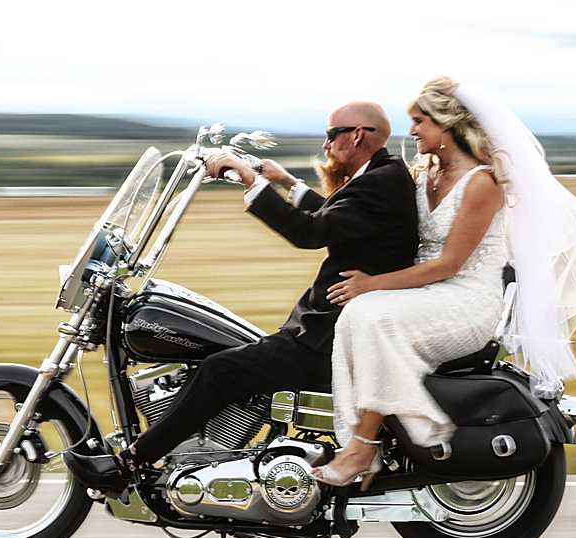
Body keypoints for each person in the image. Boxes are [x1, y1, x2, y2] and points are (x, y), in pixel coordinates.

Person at [65, 101, 419, 492]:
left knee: (218, 371)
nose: (325, 144)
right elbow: (334, 218)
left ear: (357, 134)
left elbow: (309, 233)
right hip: (325, 324)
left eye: (331, 134)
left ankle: (127, 466)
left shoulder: (380, 180)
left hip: (324, 336)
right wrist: (285, 181)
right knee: (227, 358)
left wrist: (253, 180)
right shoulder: (382, 175)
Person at [311, 77, 576, 487]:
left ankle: (362, 449)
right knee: (357, 314)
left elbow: (448, 265)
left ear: (445, 125)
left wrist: (372, 283)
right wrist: (280, 183)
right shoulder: (423, 174)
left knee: (372, 316)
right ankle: (365, 440)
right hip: (423, 294)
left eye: (419, 121)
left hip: (465, 302)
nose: (411, 131)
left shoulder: (482, 183)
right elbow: (347, 211)